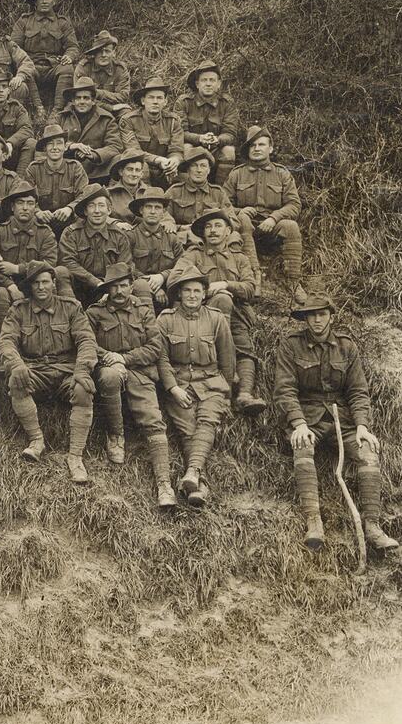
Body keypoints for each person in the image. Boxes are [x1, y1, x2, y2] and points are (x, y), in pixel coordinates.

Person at [275, 283, 398, 552]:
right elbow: (284, 390)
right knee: (302, 445)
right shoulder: (291, 346)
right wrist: (298, 424)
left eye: (322, 314)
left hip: (342, 420)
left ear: (331, 315)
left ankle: (373, 526)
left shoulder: (346, 347)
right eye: (311, 315)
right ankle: (314, 522)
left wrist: (363, 426)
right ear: (305, 318)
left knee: (367, 451)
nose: (317, 320)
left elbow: (358, 391)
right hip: (309, 418)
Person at [0, 260, 99, 482]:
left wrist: (82, 370)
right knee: (16, 380)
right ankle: (36, 441)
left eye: (45, 282)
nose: (41, 287)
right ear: (30, 287)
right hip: (35, 371)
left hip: (65, 370)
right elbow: (6, 342)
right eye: (36, 283)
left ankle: (75, 457)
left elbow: (86, 341)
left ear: (54, 283)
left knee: (83, 389)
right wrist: (17, 364)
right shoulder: (19, 310)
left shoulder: (71, 308)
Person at [86, 264, 177, 507]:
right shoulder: (95, 313)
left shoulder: (144, 311)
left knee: (153, 420)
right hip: (109, 367)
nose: (119, 291)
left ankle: (164, 484)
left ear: (131, 286)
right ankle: (116, 436)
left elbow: (155, 346)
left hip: (140, 371)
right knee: (109, 378)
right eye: (114, 286)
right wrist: (110, 358)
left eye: (124, 285)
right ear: (107, 289)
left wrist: (125, 359)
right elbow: (85, 342)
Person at [170, 210, 267, 415]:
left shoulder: (239, 259)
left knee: (244, 347)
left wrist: (226, 284)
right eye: (208, 227)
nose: (213, 231)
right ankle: (227, 391)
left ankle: (244, 395)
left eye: (217, 226)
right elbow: (175, 281)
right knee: (221, 304)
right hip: (201, 316)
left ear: (228, 231)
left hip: (237, 313)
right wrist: (207, 289)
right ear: (202, 233)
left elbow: (250, 288)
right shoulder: (193, 255)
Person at [154, 264, 235, 507]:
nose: (192, 295)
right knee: (187, 427)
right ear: (179, 293)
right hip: (179, 384)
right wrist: (172, 389)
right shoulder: (165, 320)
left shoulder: (216, 319)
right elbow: (161, 358)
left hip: (211, 383)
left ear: (204, 294)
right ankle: (199, 483)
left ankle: (192, 473)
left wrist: (226, 392)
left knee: (207, 420)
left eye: (197, 291)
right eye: (187, 290)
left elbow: (227, 359)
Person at [225, 126, 304, 286]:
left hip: (271, 228)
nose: (256, 149)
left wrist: (274, 218)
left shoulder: (282, 173)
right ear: (248, 150)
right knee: (242, 218)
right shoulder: (237, 174)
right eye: (252, 146)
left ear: (270, 148)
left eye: (261, 145)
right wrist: (240, 211)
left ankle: (294, 282)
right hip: (244, 230)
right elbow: (222, 204)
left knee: (291, 226)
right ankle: (254, 274)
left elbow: (294, 205)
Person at [0, 181, 62, 339]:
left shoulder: (45, 233)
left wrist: (18, 269)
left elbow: (49, 264)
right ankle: (5, 341)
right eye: (20, 203)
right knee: (0, 293)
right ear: (12, 207)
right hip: (6, 285)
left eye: (30, 203)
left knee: (50, 288)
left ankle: (50, 337)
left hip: (36, 283)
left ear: (35, 207)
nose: (25, 208)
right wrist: (10, 285)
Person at [57, 184, 137, 305]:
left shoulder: (119, 236)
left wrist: (108, 287)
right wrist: (94, 282)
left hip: (110, 288)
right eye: (91, 206)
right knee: (61, 271)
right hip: (78, 288)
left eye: (101, 205)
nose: (97, 211)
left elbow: (124, 266)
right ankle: (70, 311)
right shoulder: (71, 233)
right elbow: (68, 262)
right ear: (85, 211)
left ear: (109, 210)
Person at [11, 0, 79, 112]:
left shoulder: (62, 23)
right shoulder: (24, 21)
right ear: (35, 2)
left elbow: (73, 47)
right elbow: (14, 47)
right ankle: (39, 109)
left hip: (53, 66)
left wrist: (69, 56)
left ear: (54, 1)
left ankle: (57, 110)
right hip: (31, 64)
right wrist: (24, 62)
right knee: (26, 69)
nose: (44, 1)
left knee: (67, 69)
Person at [181, 61, 242, 182]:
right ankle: (187, 191)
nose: (208, 84)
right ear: (197, 84)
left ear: (219, 84)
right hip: (194, 147)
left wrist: (217, 139)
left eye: (212, 80)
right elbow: (179, 132)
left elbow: (230, 133)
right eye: (204, 80)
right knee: (185, 148)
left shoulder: (227, 103)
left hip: (216, 148)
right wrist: (199, 138)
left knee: (229, 151)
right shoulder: (185, 102)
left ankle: (221, 193)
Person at [56, 77, 125, 177]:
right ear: (73, 101)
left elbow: (115, 146)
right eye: (78, 98)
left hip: (95, 170)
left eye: (86, 98)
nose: (82, 101)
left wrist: (93, 154)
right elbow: (50, 141)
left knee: (118, 159)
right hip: (65, 169)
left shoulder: (106, 119)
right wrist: (71, 146)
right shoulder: (61, 117)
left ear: (93, 101)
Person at [127, 188, 187, 300]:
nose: (153, 211)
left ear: (163, 212)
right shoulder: (131, 236)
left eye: (157, 207)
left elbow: (182, 265)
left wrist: (162, 276)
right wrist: (152, 285)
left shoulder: (172, 238)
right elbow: (127, 265)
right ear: (141, 210)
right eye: (149, 207)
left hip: (168, 289)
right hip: (139, 291)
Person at [120, 79, 184, 182]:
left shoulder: (173, 121)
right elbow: (134, 152)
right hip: (140, 167)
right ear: (143, 101)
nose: (155, 101)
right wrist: (158, 160)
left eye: (159, 98)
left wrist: (174, 160)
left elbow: (177, 149)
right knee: (142, 168)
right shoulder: (129, 120)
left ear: (165, 102)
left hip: (164, 166)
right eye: (151, 97)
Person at [25, 124, 88, 228]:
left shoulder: (75, 167)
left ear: (64, 147)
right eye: (50, 144)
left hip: (70, 222)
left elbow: (83, 195)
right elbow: (26, 196)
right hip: (41, 224)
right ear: (45, 148)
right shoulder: (34, 169)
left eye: (59, 143)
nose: (55, 148)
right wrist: (38, 212)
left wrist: (70, 208)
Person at [73, 30, 131, 110]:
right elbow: (80, 98)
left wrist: (95, 92)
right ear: (94, 53)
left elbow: (123, 96)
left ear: (114, 53)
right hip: (89, 109)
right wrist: (110, 107)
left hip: (116, 108)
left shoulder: (120, 69)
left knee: (125, 112)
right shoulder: (84, 67)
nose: (104, 55)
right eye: (100, 52)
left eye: (107, 51)